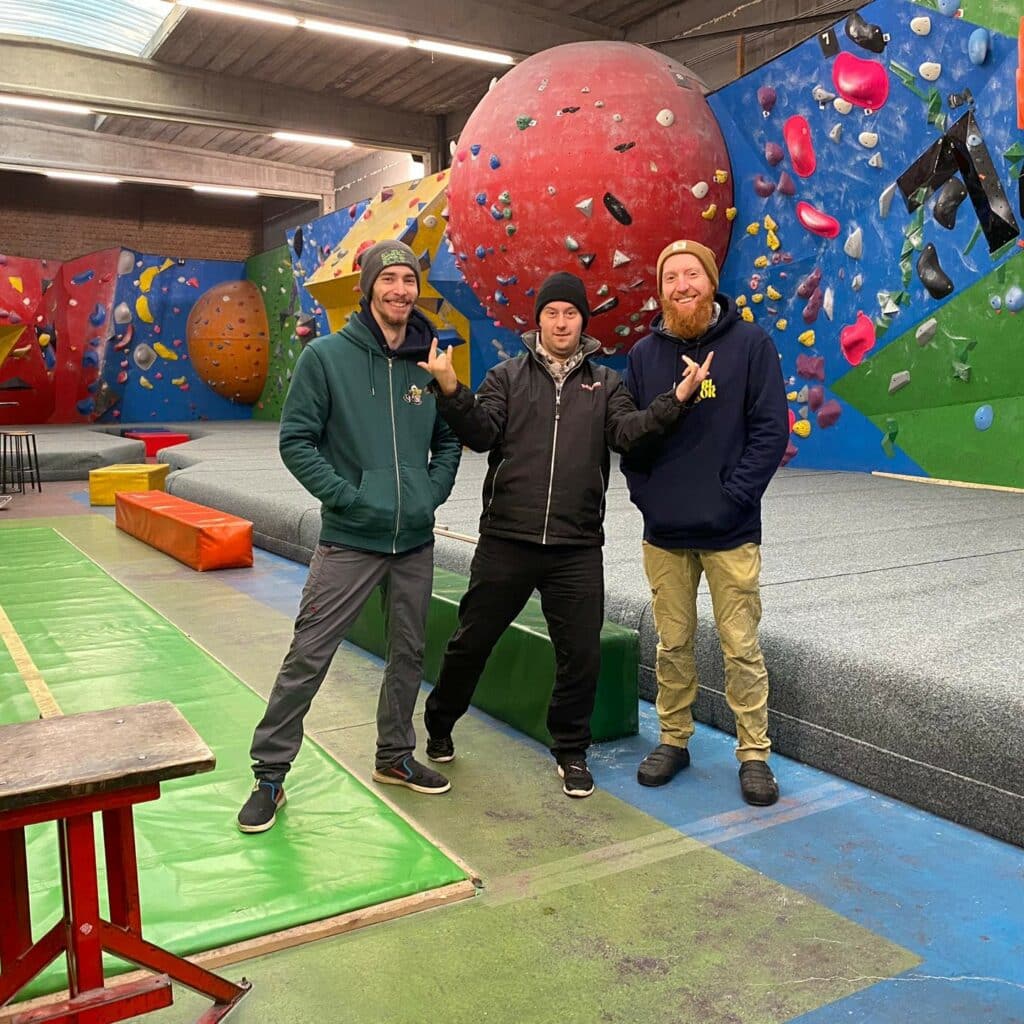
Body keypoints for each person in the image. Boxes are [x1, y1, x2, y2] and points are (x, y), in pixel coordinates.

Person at [417, 271, 712, 798]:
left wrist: (678, 398)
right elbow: (481, 434)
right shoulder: (506, 376)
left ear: (583, 322)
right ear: (539, 322)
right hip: (507, 539)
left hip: (576, 547)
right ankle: (440, 722)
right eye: (551, 313)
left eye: (570, 313)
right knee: (471, 642)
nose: (560, 322)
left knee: (582, 656)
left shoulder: (607, 384)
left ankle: (571, 750)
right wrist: (451, 390)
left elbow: (629, 434)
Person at [237, 240, 462, 833]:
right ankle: (270, 774)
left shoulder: (428, 361)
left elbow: (448, 439)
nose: (400, 290)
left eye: (408, 280)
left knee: (408, 654)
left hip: (414, 540)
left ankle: (394, 756)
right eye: (389, 279)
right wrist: (349, 496)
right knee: (309, 654)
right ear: (368, 289)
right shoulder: (326, 357)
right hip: (350, 539)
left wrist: (430, 492)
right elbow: (296, 441)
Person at [621, 239, 788, 806]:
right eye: (670, 277)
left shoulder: (751, 345)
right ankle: (674, 739)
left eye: (692, 274)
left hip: (730, 531)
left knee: (740, 646)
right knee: (672, 644)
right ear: (660, 289)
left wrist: (733, 498)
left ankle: (754, 753)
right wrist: (649, 499)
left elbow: (770, 432)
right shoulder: (643, 356)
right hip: (665, 534)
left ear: (712, 282)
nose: (682, 286)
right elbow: (632, 436)